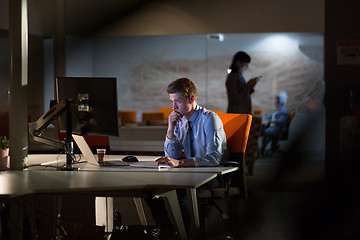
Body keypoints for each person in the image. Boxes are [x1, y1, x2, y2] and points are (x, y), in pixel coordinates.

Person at [147, 77, 227, 239]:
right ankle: (168, 229)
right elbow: (172, 156)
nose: (173, 107)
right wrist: (170, 129)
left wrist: (180, 163)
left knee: (181, 190)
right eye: (172, 101)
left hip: (214, 174)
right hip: (191, 171)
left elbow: (213, 159)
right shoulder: (180, 120)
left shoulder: (210, 119)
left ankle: (187, 235)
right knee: (149, 190)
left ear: (191, 98)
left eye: (177, 101)